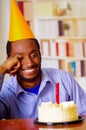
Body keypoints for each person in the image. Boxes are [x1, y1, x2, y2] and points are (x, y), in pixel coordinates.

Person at [0, 0, 86, 119]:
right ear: (9, 61)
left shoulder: (64, 80)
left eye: (33, 54)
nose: (29, 63)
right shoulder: (6, 91)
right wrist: (1, 69)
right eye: (20, 58)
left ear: (40, 54)